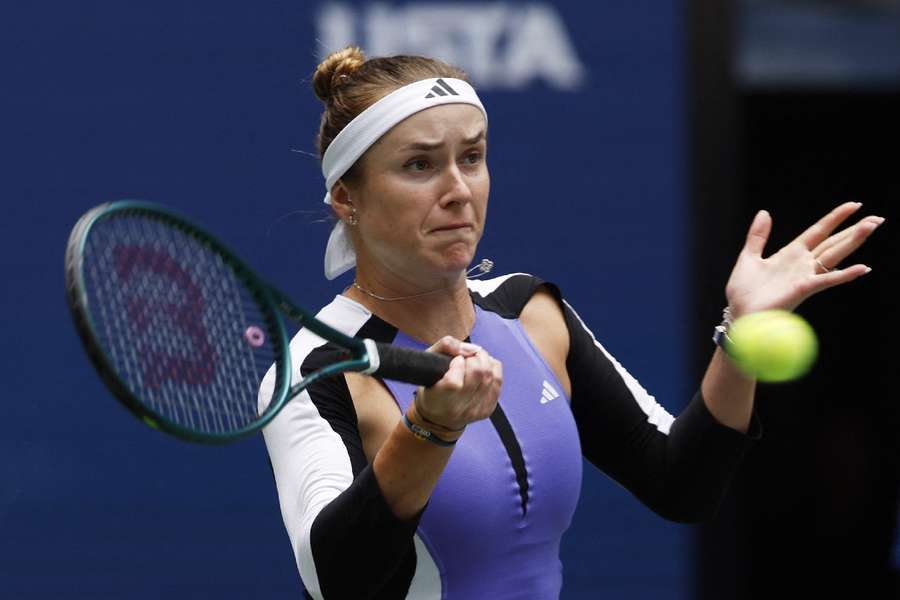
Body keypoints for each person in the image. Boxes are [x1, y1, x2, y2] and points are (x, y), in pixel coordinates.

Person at [258, 47, 884, 599]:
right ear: (346, 197)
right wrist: (430, 429)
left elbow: (680, 483)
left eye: (471, 157)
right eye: (420, 166)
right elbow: (337, 579)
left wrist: (741, 338)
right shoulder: (319, 366)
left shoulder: (531, 312)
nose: (458, 190)